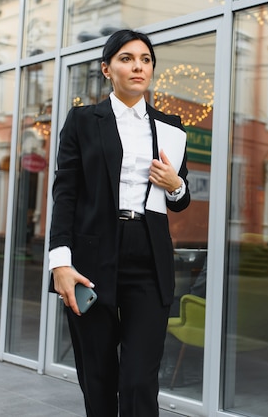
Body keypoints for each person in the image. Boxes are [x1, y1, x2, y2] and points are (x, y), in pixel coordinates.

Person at [48, 29, 191, 416]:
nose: (138, 66)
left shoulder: (170, 126)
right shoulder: (81, 121)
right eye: (127, 58)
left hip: (148, 253)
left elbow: (180, 199)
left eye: (145, 59)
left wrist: (175, 184)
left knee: (139, 380)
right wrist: (60, 262)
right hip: (92, 258)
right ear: (106, 69)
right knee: (98, 377)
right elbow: (66, 194)